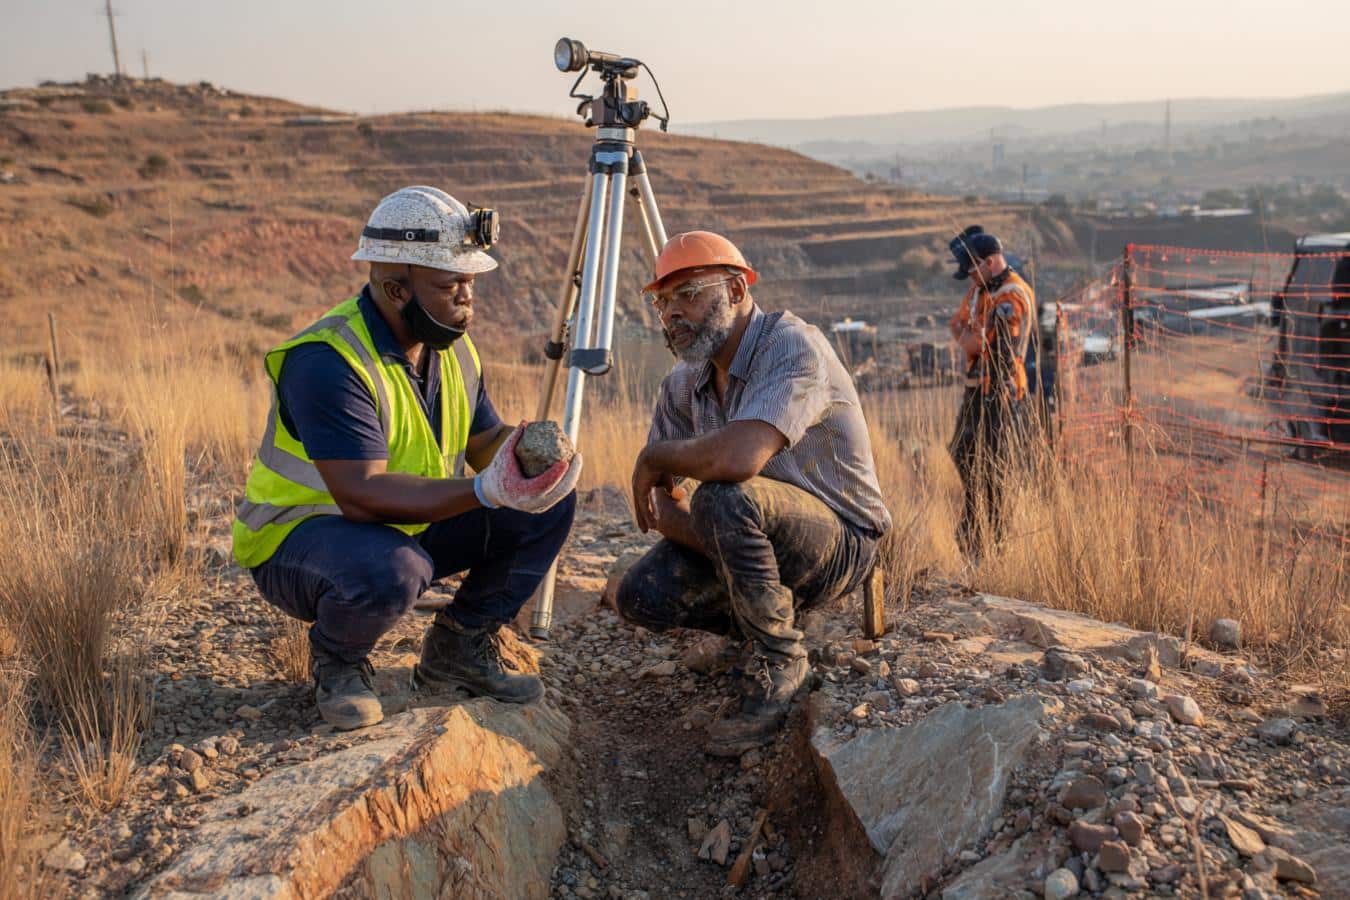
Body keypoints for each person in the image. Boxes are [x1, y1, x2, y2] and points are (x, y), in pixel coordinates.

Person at [232, 186, 582, 730]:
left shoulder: (452, 346)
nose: (467, 298)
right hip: (303, 540)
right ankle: (338, 660)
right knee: (396, 568)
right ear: (396, 289)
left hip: (404, 523)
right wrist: (485, 491)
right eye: (450, 285)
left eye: (470, 282)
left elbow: (482, 441)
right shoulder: (327, 361)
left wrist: (530, 457)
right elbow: (361, 495)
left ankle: (459, 648)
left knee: (548, 504)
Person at [614, 231, 892, 756]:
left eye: (689, 294)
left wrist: (655, 460)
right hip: (751, 540)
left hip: (840, 543)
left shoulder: (791, 345)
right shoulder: (681, 384)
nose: (672, 313)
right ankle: (760, 618)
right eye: (662, 301)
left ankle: (780, 657)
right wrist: (724, 539)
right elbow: (660, 505)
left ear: (738, 290)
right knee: (640, 595)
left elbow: (738, 459)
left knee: (724, 496)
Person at [946, 228, 1035, 555]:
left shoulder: (1011, 295)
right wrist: (973, 338)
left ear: (990, 261)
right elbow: (957, 326)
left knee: (994, 467)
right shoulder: (983, 290)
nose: (970, 279)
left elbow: (998, 350)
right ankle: (975, 525)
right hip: (977, 389)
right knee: (962, 453)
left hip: (999, 393)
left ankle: (992, 537)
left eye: (973, 270)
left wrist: (974, 338)